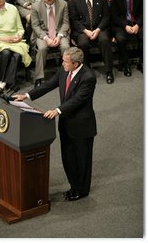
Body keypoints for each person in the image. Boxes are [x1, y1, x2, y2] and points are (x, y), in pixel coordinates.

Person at [13, 47, 97, 201]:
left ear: (76, 64)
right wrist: (26, 95)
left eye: (65, 62)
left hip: (81, 125)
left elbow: (77, 100)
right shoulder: (64, 70)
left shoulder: (88, 77)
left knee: (82, 159)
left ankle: (82, 190)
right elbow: (48, 85)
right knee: (68, 157)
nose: (62, 64)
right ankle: (74, 186)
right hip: (66, 123)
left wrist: (57, 110)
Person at [69, 0, 114, 84]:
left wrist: (98, 30)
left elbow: (106, 17)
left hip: (100, 28)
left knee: (104, 40)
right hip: (83, 30)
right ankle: (86, 70)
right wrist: (86, 31)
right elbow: (74, 20)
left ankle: (109, 71)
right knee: (83, 43)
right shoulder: (74, 0)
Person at [30, 0, 70, 87]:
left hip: (59, 33)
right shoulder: (35, 7)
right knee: (42, 48)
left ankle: (66, 74)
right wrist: (46, 38)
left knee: (66, 47)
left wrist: (59, 36)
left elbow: (66, 23)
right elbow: (35, 26)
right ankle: (39, 78)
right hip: (43, 34)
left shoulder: (63, 4)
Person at [111, 0, 143, 76]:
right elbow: (114, 16)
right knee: (120, 38)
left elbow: (143, 12)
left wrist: (138, 24)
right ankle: (125, 64)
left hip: (137, 22)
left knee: (144, 36)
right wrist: (125, 25)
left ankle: (142, 62)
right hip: (122, 23)